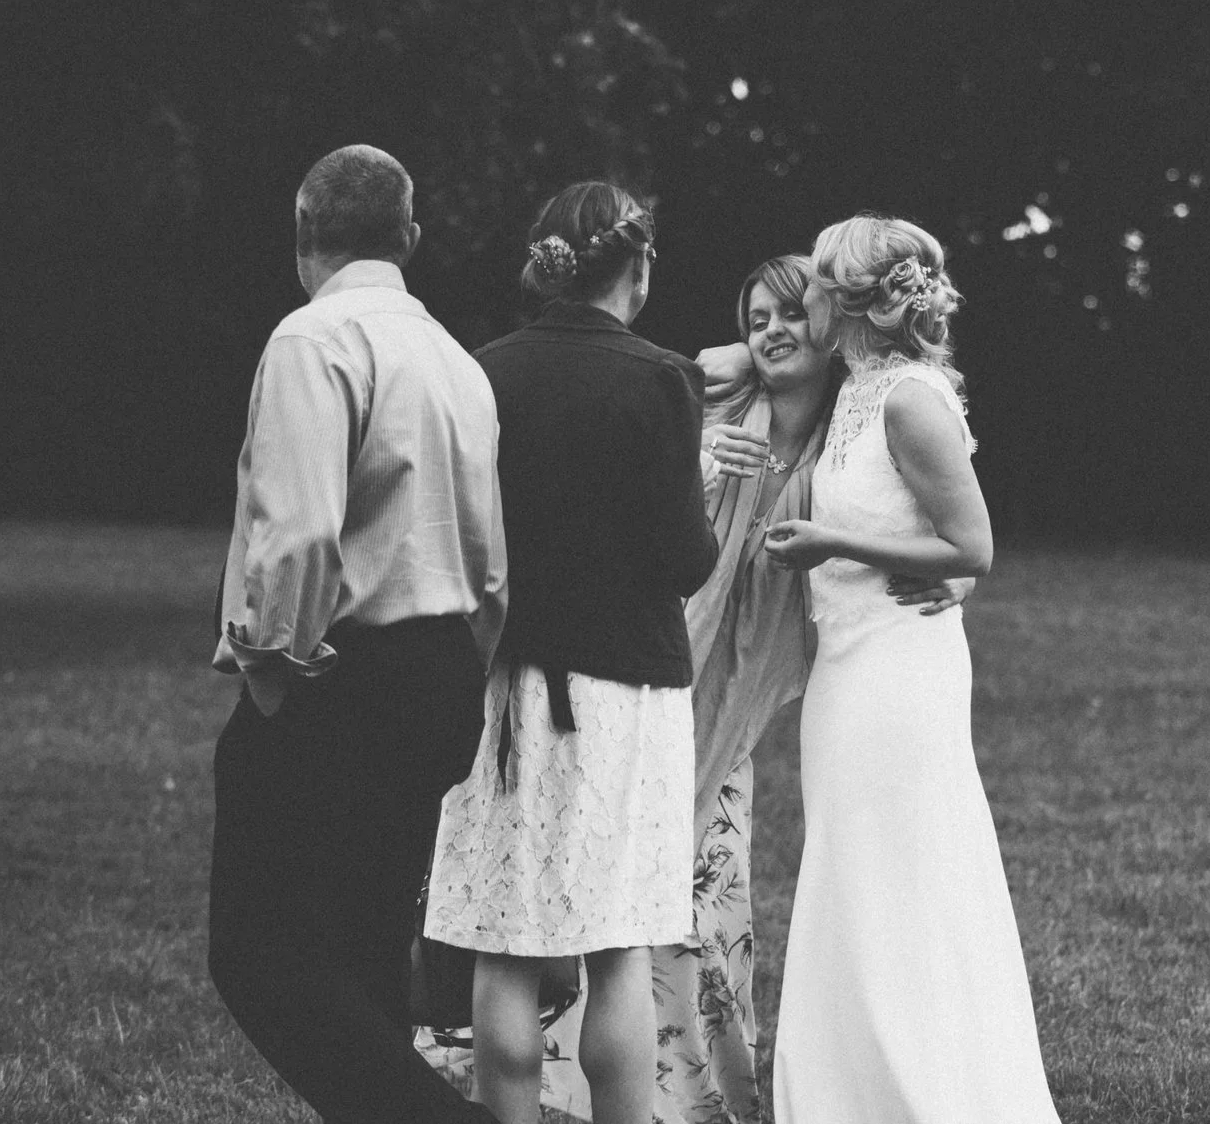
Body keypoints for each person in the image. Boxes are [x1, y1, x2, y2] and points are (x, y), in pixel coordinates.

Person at [207, 144, 506, 1124]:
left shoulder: (313, 338)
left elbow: (295, 537)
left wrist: (270, 677)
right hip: (440, 671)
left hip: (338, 671)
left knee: (257, 953)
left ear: (303, 238)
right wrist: (474, 673)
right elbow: (493, 565)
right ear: (409, 237)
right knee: (368, 940)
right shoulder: (457, 361)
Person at [422, 180, 720, 1124]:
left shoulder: (481, 370)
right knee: (617, 942)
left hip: (499, 690)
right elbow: (685, 561)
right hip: (625, 694)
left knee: (504, 943)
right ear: (637, 268)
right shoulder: (663, 379)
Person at [758, 214, 1061, 1124]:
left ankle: (923, 1093)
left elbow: (974, 544)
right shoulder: (856, 383)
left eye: (813, 280)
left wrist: (829, 539)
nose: (798, 296)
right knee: (851, 873)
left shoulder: (909, 399)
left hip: (897, 666)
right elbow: (723, 363)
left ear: (849, 301)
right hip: (849, 663)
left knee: (902, 871)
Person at [661, 251, 976, 1124]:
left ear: (833, 324)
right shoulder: (716, 401)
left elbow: (922, 513)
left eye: (790, 315)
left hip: (762, 693)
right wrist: (699, 461)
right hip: (664, 671)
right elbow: (633, 490)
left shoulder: (856, 417)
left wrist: (961, 577)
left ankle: (706, 1097)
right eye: (755, 317)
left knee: (711, 885)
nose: (769, 332)